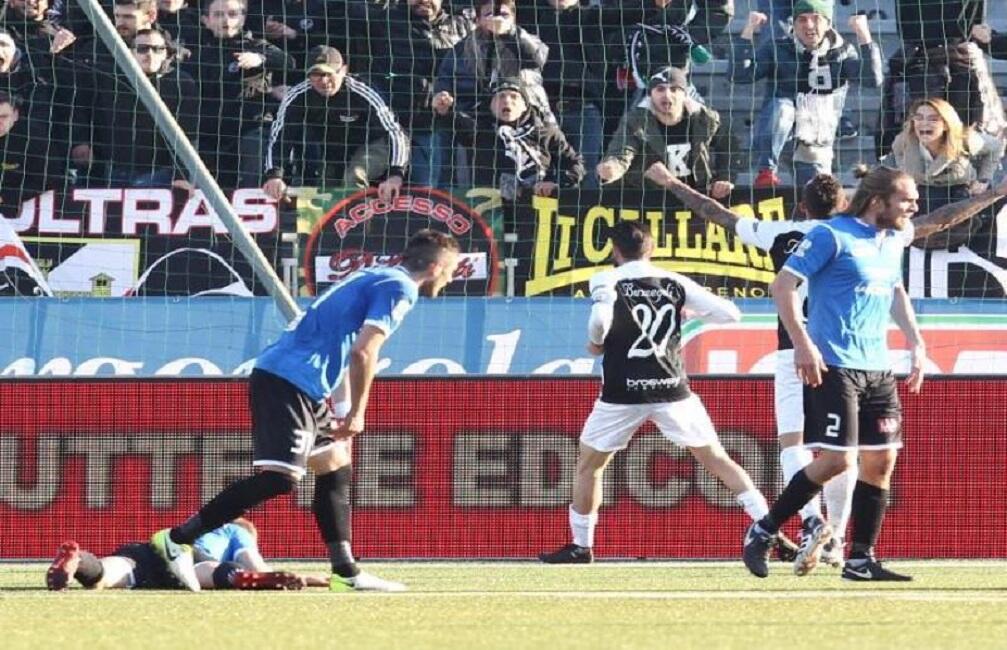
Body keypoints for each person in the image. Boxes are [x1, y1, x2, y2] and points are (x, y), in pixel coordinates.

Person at [150, 230, 461, 592]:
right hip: (287, 379)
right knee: (280, 479)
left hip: (304, 383)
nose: (451, 278)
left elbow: (341, 345)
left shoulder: (374, 275)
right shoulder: (401, 288)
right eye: (452, 270)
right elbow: (363, 352)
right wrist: (357, 413)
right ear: (436, 267)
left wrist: (340, 409)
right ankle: (177, 539)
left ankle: (346, 573)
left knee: (335, 464)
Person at [742, 167, 1007, 581]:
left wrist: (916, 342)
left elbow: (894, 290)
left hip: (877, 367)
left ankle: (860, 560)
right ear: (877, 201)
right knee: (837, 460)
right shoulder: (831, 235)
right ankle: (763, 529)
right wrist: (803, 344)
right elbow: (782, 287)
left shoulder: (893, 239)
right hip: (835, 363)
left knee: (882, 460)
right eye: (907, 199)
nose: (915, 206)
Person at [538, 221, 780, 564]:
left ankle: (581, 546)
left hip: (622, 393)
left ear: (614, 251)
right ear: (650, 249)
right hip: (671, 388)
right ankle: (767, 527)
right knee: (716, 458)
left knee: (589, 466)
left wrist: (595, 342)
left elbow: (599, 321)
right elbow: (730, 314)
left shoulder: (607, 279)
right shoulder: (673, 281)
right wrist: (690, 314)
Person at [731, 0, 882, 188]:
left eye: (816, 19)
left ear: (828, 24)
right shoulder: (778, 47)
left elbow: (872, 80)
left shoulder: (842, 51)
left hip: (814, 135)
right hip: (778, 133)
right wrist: (748, 30)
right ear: (793, 25)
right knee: (782, 107)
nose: (809, 25)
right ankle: (766, 171)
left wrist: (864, 35)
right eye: (802, 19)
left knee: (816, 195)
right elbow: (739, 75)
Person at [263, 45, 410, 201]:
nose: (324, 81)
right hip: (335, 152)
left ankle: (359, 217)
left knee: (354, 176)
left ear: (344, 70)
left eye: (329, 73)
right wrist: (274, 175)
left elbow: (395, 131)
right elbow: (279, 136)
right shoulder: (297, 96)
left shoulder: (363, 91)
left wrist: (396, 174)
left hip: (378, 144)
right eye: (316, 74)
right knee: (325, 194)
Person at [182, 0, 292, 187]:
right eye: (218, 14)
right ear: (206, 20)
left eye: (233, 14)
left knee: (255, 144)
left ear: (243, 18)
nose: (226, 20)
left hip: (252, 127)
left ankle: (256, 198)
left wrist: (260, 58)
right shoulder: (199, 56)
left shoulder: (256, 45)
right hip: (211, 134)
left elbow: (288, 61)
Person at [45, 519, 319, 591]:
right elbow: (256, 565)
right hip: (190, 558)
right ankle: (234, 577)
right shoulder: (239, 531)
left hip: (146, 553)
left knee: (106, 574)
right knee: (209, 569)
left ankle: (80, 562)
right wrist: (314, 579)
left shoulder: (198, 525)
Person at [435, 78, 584, 201]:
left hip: (540, 205)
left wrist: (556, 183)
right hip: (492, 208)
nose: (507, 101)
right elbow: (457, 122)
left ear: (525, 105)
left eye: (514, 96)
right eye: (500, 96)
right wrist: (445, 110)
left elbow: (575, 163)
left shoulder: (547, 132)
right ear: (490, 105)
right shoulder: (480, 129)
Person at [881, 97, 1004, 246]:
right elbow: (900, 163)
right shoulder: (903, 142)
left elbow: (996, 147)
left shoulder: (965, 140)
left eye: (933, 119)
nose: (924, 123)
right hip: (923, 196)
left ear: (946, 124)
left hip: (958, 196)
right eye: (919, 118)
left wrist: (983, 179)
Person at [597, 66, 732, 198]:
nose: (667, 95)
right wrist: (612, 168)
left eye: (674, 89)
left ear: (685, 94)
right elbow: (622, 151)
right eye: (660, 89)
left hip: (696, 197)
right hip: (649, 198)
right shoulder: (635, 121)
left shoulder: (706, 119)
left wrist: (724, 178)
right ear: (650, 95)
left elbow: (729, 147)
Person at [91, 26, 198, 187]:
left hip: (162, 172)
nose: (149, 54)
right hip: (116, 170)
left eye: (157, 49)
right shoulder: (110, 79)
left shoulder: (182, 82)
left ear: (166, 52)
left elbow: (188, 133)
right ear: (131, 52)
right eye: (142, 49)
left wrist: (181, 175)